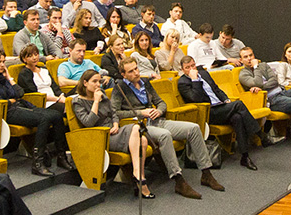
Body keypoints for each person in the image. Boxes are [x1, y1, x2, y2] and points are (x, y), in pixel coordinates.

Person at [114, 57, 225, 198]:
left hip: (157, 120)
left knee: (194, 128)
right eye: (131, 71)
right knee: (164, 135)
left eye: (136, 68)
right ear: (123, 75)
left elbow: (161, 102)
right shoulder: (120, 88)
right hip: (141, 127)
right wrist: (141, 112)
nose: (136, 73)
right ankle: (178, 180)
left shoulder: (145, 82)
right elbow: (116, 112)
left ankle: (206, 173)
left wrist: (159, 111)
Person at [178, 55, 275, 171]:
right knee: (238, 104)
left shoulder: (203, 73)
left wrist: (225, 99)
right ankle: (261, 136)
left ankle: (245, 157)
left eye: (193, 65)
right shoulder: (183, 82)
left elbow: (216, 89)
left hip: (221, 106)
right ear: (183, 70)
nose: (192, 69)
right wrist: (194, 80)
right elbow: (197, 99)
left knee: (237, 117)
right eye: (188, 67)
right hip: (208, 112)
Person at [0, 49, 71, 175]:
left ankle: (61, 157)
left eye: (3, 61)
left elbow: (20, 93)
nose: (2, 65)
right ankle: (37, 162)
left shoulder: (5, 78)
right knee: (44, 118)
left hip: (21, 106)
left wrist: (9, 78)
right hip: (8, 113)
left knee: (57, 116)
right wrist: (13, 100)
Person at [73, 69, 153, 197]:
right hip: (102, 137)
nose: (98, 85)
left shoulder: (102, 93)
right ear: (85, 83)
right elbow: (88, 123)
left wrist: (116, 124)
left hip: (115, 131)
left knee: (143, 140)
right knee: (137, 130)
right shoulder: (78, 102)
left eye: (99, 81)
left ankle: (139, 175)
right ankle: (138, 174)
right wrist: (96, 102)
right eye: (94, 82)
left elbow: (114, 113)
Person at [238, 47, 291, 151]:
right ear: (241, 60)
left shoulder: (264, 65)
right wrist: (256, 67)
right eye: (245, 57)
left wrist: (261, 86)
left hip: (282, 91)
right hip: (272, 100)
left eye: (251, 55)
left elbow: (275, 81)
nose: (249, 59)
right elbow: (257, 83)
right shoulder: (243, 74)